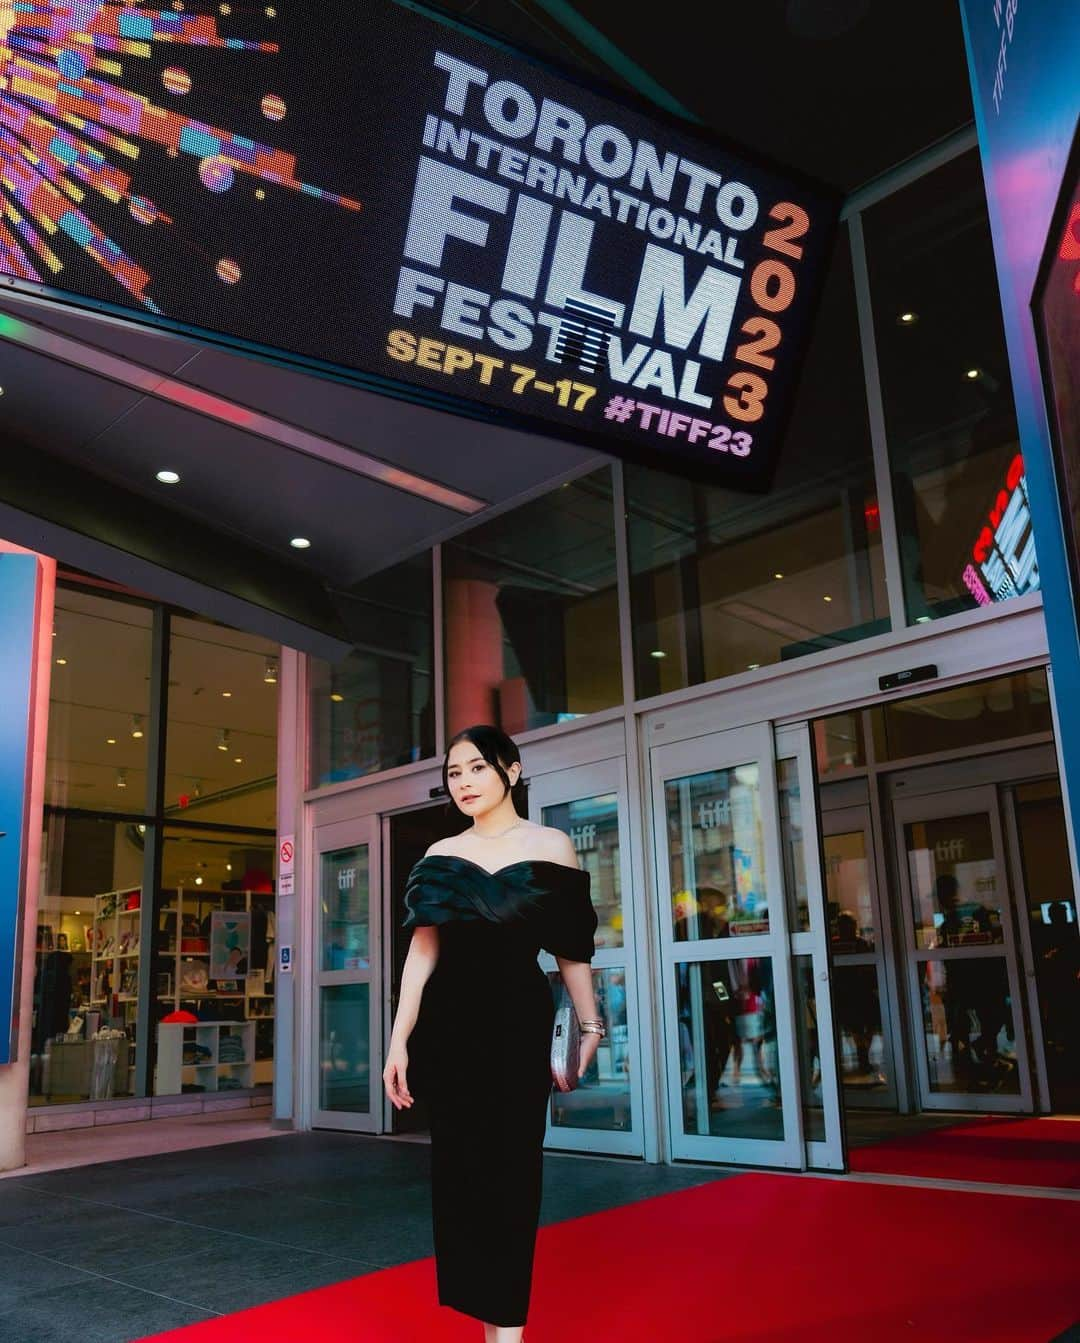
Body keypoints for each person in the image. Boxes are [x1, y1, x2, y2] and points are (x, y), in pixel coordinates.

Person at [384, 725, 602, 1343]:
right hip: (450, 1029)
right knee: (459, 1175)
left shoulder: (551, 844)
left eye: (477, 768)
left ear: (511, 769)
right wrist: (399, 1039)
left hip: (515, 1022)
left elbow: (571, 949)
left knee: (511, 1172)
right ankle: (485, 1314)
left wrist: (590, 1024)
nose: (465, 783)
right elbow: (421, 955)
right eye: (454, 774)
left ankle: (507, 1329)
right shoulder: (438, 856)